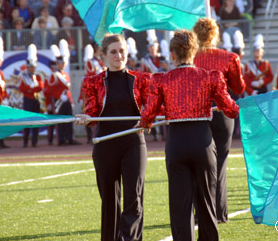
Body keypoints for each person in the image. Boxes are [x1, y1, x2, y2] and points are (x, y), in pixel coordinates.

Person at [139, 30, 239, 239]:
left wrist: (145, 123)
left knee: (180, 205)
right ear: (195, 52)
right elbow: (231, 110)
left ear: (172, 54)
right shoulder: (210, 76)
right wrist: (225, 106)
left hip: (177, 142)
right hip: (202, 140)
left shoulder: (162, 80)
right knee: (206, 201)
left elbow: (149, 113)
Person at [77, 34, 151, 241]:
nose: (119, 55)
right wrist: (86, 118)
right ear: (104, 56)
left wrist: (148, 119)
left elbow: (152, 108)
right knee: (109, 200)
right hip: (105, 144)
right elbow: (92, 112)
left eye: (122, 51)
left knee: (134, 199)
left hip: (134, 142)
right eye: (114, 52)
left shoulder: (142, 79)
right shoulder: (92, 81)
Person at [193, 17, 245, 223]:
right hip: (222, 114)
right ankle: (219, 212)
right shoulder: (229, 57)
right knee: (220, 163)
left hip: (197, 114)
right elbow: (239, 88)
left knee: (200, 164)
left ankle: (202, 213)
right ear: (215, 35)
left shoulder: (190, 57)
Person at [48, 40, 81, 146]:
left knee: (69, 119)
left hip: (66, 100)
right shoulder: (54, 75)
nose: (61, 64)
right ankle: (61, 140)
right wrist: (58, 96)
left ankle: (70, 138)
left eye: (62, 62)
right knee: (60, 121)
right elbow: (50, 89)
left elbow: (67, 89)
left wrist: (70, 100)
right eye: (59, 63)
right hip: (59, 101)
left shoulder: (65, 74)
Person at [18, 44, 44, 147]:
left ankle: (34, 141)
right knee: (27, 122)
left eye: (33, 67)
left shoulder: (37, 76)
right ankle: (25, 141)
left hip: (35, 100)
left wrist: (30, 89)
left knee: (36, 122)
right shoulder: (23, 76)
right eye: (30, 67)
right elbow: (22, 88)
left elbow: (40, 87)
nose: (32, 68)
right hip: (27, 100)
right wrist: (31, 89)